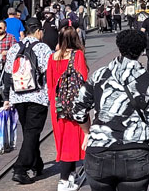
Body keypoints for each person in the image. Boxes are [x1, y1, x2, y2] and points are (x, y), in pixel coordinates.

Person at [72, 30, 149, 191]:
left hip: (99, 152)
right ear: (142, 50)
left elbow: (78, 110)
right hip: (135, 153)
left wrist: (87, 132)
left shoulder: (99, 76)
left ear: (119, 47)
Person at [2, 18, 53, 185]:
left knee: (29, 132)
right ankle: (20, 168)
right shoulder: (43, 48)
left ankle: (36, 163)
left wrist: (6, 98)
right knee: (32, 132)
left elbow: (8, 75)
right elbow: (49, 73)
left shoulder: (14, 48)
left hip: (18, 96)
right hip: (37, 96)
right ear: (38, 31)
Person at [47, 27, 88, 190]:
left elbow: (50, 84)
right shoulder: (77, 55)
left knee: (63, 140)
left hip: (57, 105)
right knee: (71, 142)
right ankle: (63, 180)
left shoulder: (52, 57)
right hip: (73, 105)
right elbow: (83, 79)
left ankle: (71, 174)